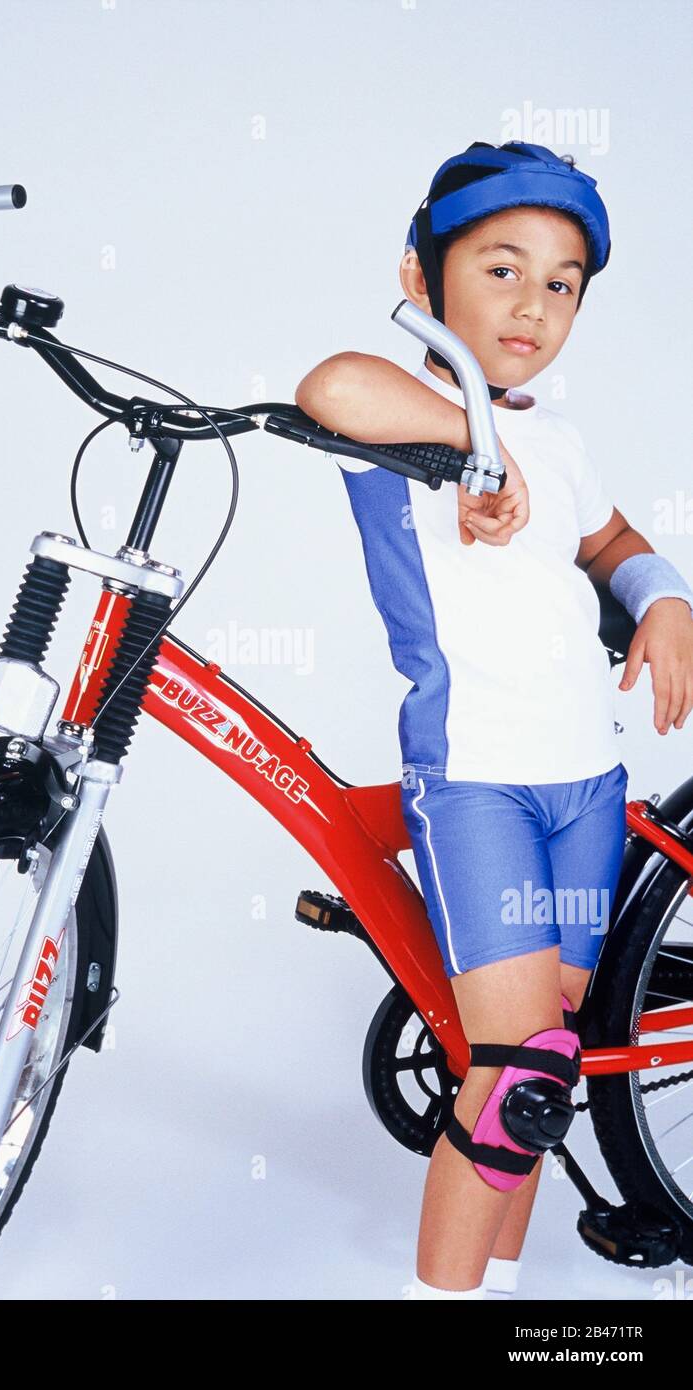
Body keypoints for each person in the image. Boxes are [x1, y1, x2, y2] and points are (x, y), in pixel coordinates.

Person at [294, 140, 693, 1299]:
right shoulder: (405, 426)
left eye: (559, 282)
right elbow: (329, 384)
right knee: (518, 1072)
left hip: (587, 788)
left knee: (546, 1069)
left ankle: (501, 1294)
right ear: (420, 279)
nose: (531, 303)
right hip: (478, 783)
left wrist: (658, 596)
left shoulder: (555, 443)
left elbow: (608, 540)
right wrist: (466, 435)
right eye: (499, 268)